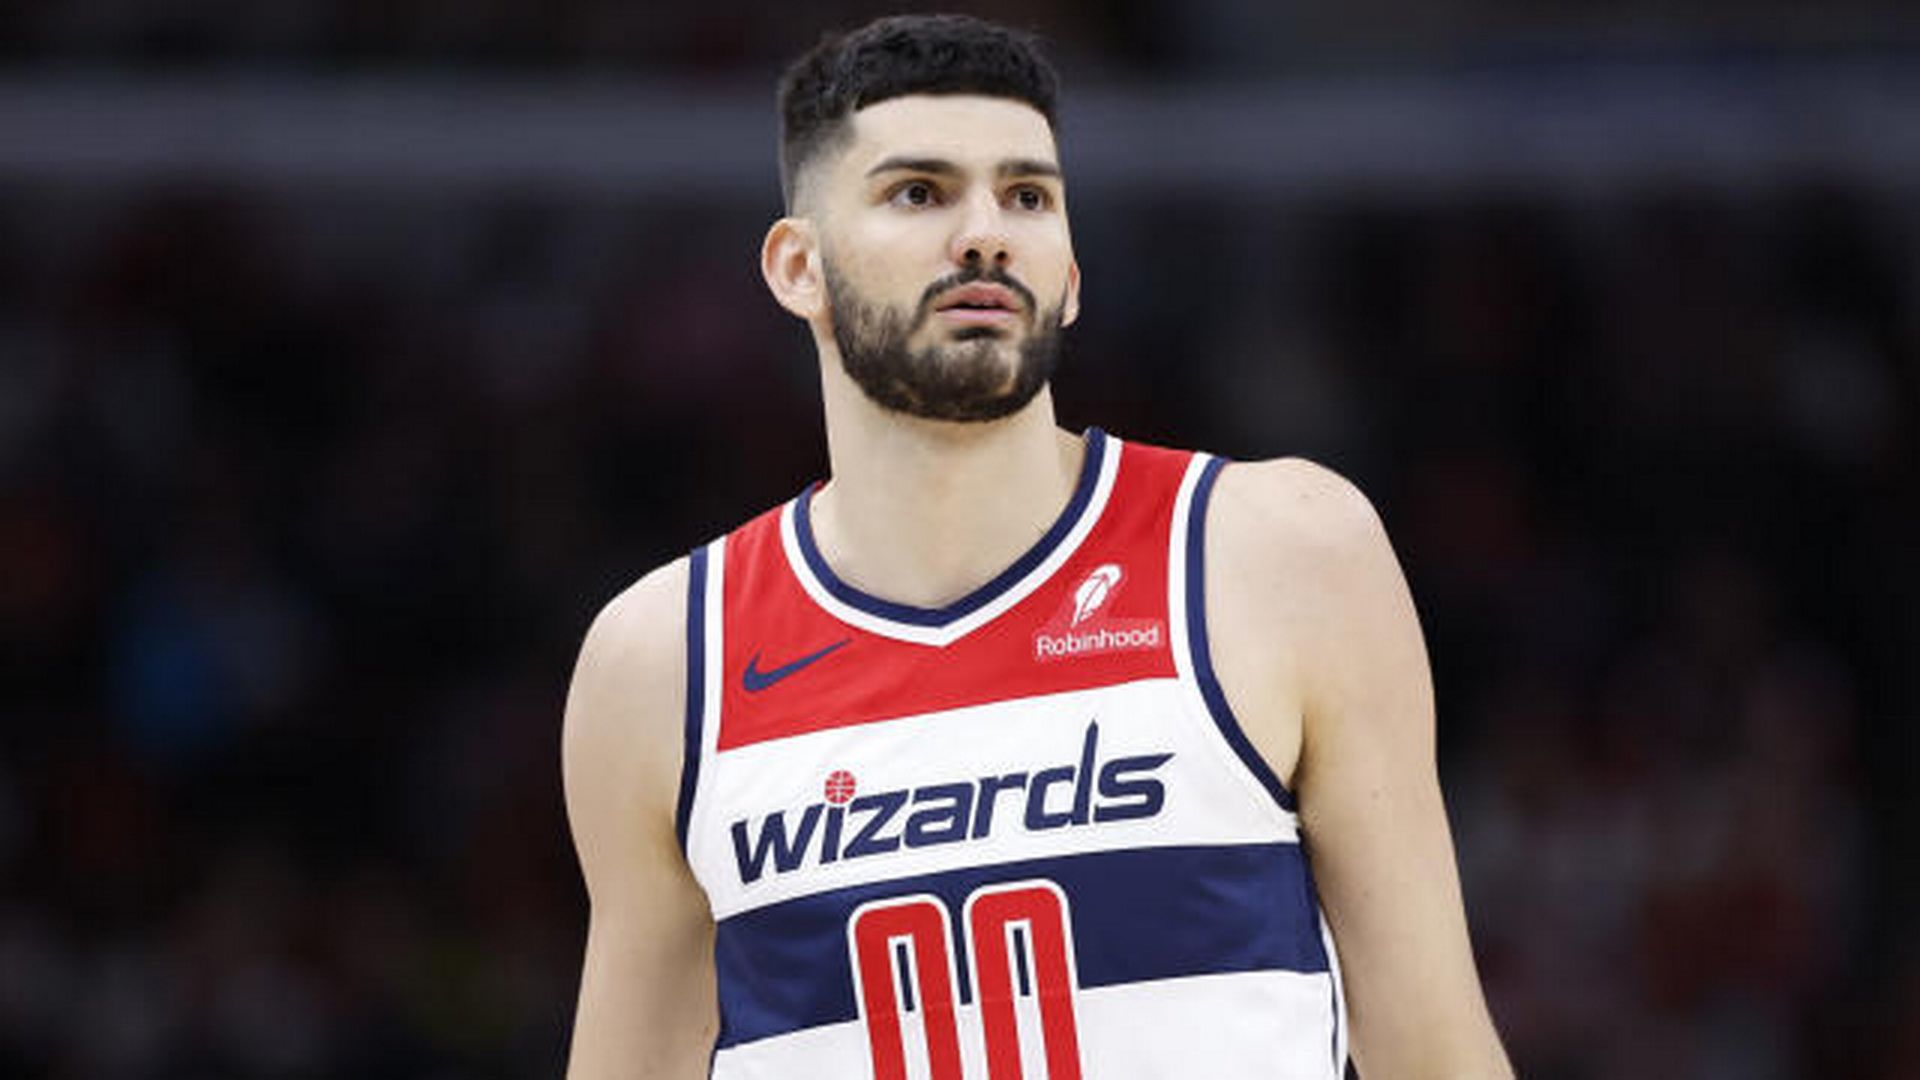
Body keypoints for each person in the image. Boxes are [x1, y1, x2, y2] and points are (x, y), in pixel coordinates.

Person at [562, 13, 1512, 1079]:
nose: (986, 235)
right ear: (798, 268)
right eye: (918, 193)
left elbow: (1434, 1051)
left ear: (1071, 274)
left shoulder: (1281, 553)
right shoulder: (663, 660)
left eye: (1026, 196)